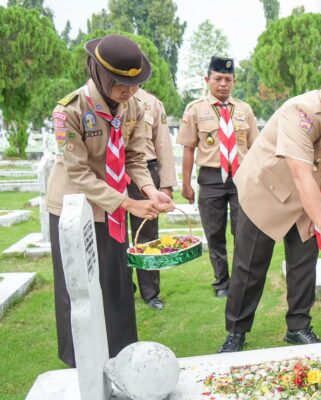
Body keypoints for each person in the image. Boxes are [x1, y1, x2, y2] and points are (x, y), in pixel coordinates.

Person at [219, 62, 321, 352]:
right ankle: (236, 331)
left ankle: (298, 327)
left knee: (304, 266)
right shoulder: (301, 113)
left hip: (310, 198)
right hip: (266, 192)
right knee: (249, 268)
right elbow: (300, 173)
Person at [47, 34, 174, 367]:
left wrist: (148, 190)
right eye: (121, 84)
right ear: (100, 73)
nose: (129, 91)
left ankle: (121, 353)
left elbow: (134, 155)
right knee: (77, 288)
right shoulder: (69, 111)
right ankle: (79, 362)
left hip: (114, 209)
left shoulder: (133, 105)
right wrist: (129, 204)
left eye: (134, 84)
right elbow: (79, 175)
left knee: (116, 281)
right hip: (74, 209)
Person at [177, 56, 259, 298]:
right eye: (218, 79)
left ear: (234, 81)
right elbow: (189, 148)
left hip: (240, 180)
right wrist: (186, 184)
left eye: (228, 79)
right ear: (207, 80)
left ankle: (240, 280)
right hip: (211, 179)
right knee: (214, 234)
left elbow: (256, 149)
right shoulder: (195, 109)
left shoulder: (245, 110)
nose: (223, 84)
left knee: (242, 232)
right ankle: (222, 282)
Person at [128, 88, 178, 310]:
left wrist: (166, 184)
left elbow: (163, 145)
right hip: (111, 171)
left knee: (147, 236)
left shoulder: (152, 103)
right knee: (113, 234)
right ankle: (122, 287)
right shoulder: (104, 98)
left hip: (145, 170)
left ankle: (151, 293)